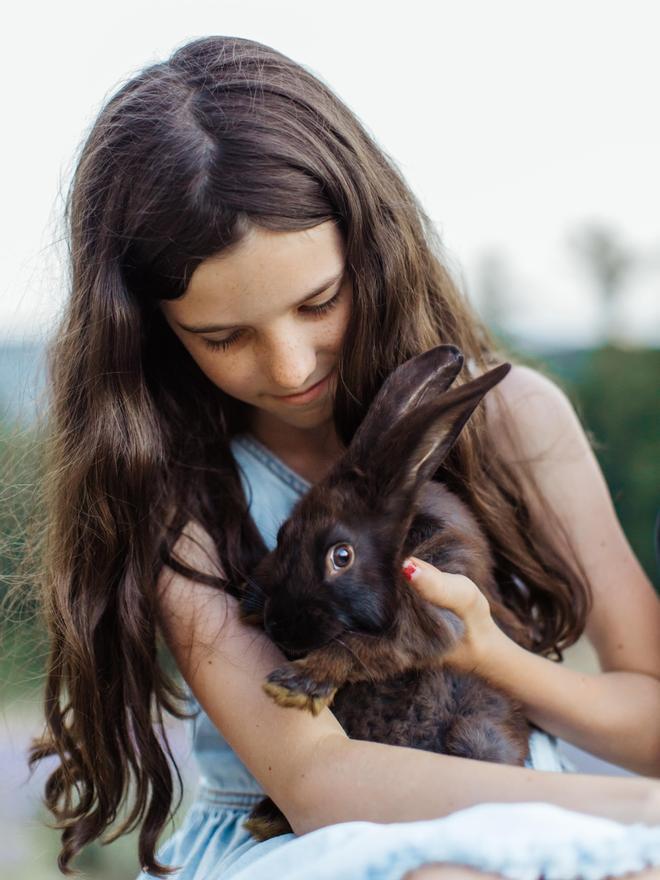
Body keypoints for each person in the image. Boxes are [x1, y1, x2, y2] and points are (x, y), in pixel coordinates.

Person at [28, 35, 660, 880]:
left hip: (512, 796)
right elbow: (320, 780)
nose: (289, 367)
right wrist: (643, 811)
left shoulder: (514, 421)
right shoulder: (178, 490)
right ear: (155, 332)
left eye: (318, 301)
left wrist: (488, 656)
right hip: (292, 838)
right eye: (223, 336)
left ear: (372, 250)